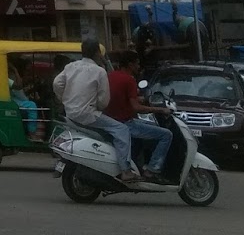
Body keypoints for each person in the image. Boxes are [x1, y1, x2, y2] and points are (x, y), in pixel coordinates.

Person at [53, 38, 136, 183]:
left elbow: (57, 83)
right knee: (122, 129)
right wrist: (98, 107)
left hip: (70, 113)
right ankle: (125, 170)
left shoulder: (71, 66)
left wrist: (64, 99)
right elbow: (104, 100)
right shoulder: (99, 71)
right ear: (98, 53)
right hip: (88, 114)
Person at [104, 48, 173, 182]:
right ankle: (152, 170)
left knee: (149, 127)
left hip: (111, 120)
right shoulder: (129, 80)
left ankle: (140, 164)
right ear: (130, 64)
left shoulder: (111, 75)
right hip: (125, 123)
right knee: (166, 135)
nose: (139, 66)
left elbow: (121, 98)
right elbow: (137, 108)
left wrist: (139, 99)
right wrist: (160, 110)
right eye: (137, 63)